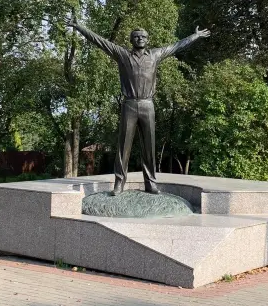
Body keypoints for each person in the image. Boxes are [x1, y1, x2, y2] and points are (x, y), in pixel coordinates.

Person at [68, 15, 210, 195]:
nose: (140, 38)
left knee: (149, 147)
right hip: (129, 105)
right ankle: (119, 183)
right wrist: (79, 27)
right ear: (131, 40)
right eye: (136, 36)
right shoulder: (122, 55)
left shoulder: (155, 55)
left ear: (148, 40)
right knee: (123, 147)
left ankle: (150, 183)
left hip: (147, 105)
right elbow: (100, 41)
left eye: (143, 36)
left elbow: (176, 46)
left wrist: (195, 36)